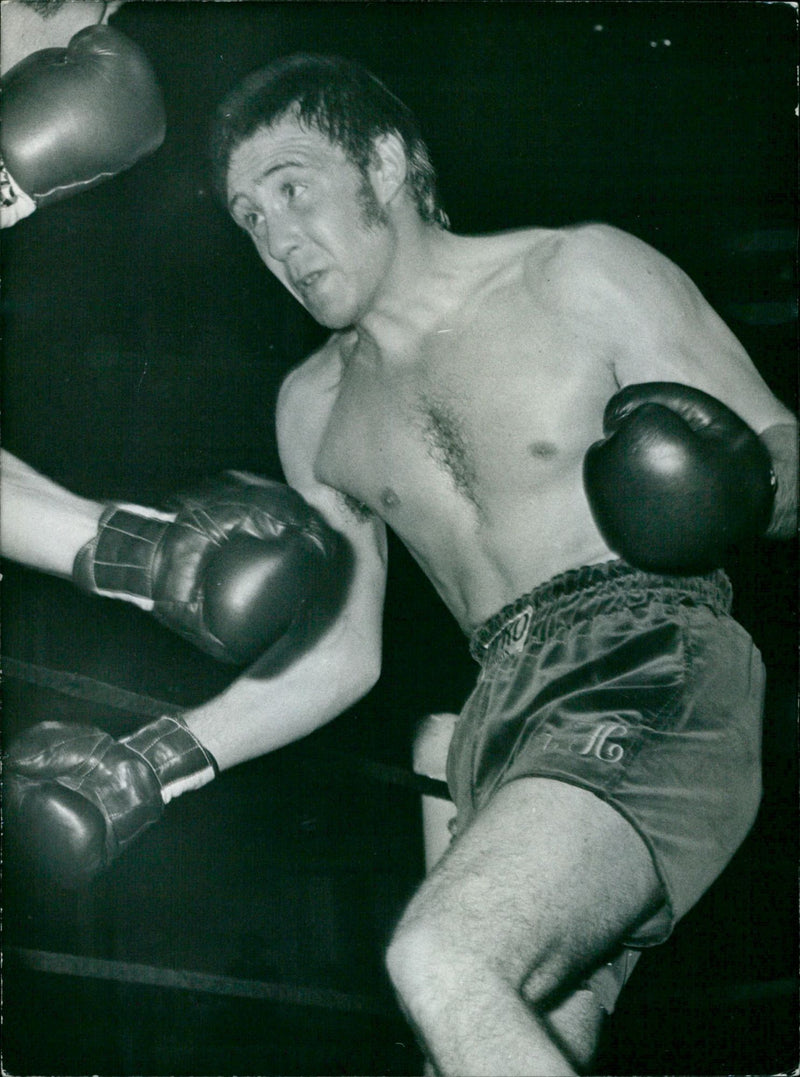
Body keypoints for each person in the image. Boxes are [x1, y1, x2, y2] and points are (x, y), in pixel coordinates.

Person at [5, 53, 797, 1076]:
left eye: (292, 189)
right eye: (250, 218)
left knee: (445, 959)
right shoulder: (313, 406)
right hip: (492, 720)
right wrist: (154, 761)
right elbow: (340, 656)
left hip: (650, 661)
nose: (277, 239)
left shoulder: (579, 273)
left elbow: (783, 447)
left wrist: (727, 491)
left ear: (384, 163)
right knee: (457, 1042)